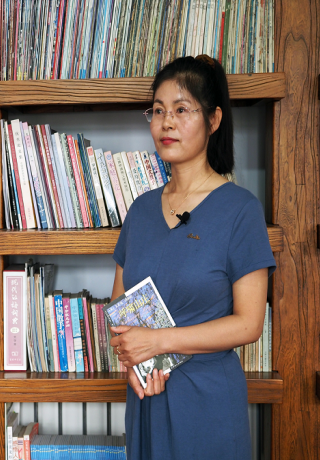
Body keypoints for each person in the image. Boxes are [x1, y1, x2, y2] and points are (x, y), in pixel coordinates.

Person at [109, 55, 276, 459]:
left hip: (208, 401)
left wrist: (157, 343)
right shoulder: (140, 210)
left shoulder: (241, 209)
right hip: (147, 393)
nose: (166, 122)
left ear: (213, 120)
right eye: (158, 111)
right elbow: (120, 305)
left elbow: (249, 323)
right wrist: (134, 364)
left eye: (181, 110)